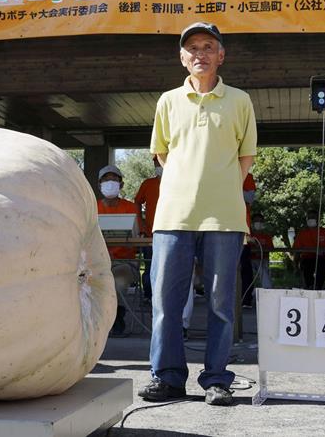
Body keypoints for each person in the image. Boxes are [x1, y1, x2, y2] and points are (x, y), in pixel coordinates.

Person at [138, 21, 257, 407]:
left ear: (221, 55)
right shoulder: (167, 101)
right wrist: (185, 186)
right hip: (173, 216)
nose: (200, 54)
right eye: (192, 48)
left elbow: (246, 157)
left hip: (223, 218)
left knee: (221, 304)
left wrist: (218, 188)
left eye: (209, 46)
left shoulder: (240, 100)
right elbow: (162, 153)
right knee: (165, 303)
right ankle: (167, 377)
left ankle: (217, 378)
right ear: (182, 58)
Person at [97, 164, 139, 337]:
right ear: (99, 184)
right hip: (97, 262)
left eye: (114, 180)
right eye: (106, 180)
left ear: (121, 185)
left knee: (117, 283)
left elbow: (138, 236)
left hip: (124, 262)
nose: (110, 183)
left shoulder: (130, 208)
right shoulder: (92, 207)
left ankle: (117, 316)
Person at [134, 156, 162, 301]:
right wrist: (141, 225)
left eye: (160, 161)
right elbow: (137, 202)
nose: (158, 164)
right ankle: (148, 295)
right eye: (155, 162)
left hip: (172, 233)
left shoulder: (178, 182)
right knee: (150, 265)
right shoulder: (148, 183)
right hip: (150, 233)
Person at [292, 209, 325, 289]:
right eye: (309, 217)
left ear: (318, 219)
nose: (311, 219)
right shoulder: (302, 234)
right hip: (307, 259)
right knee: (307, 268)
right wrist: (295, 264)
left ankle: (318, 287)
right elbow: (297, 251)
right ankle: (310, 286)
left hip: (322, 259)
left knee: (321, 268)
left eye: (313, 217)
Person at [240, 173, 257, 307]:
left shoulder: (248, 176)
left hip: (242, 229)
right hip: (221, 227)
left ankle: (245, 299)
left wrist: (229, 187)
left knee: (245, 267)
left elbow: (250, 197)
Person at [248, 212, 275, 291]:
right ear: (252, 223)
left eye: (260, 221)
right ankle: (249, 292)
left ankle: (268, 290)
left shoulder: (267, 236)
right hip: (250, 260)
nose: (258, 223)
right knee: (248, 273)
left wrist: (262, 251)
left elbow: (271, 249)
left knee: (263, 271)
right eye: (256, 221)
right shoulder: (249, 236)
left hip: (263, 260)